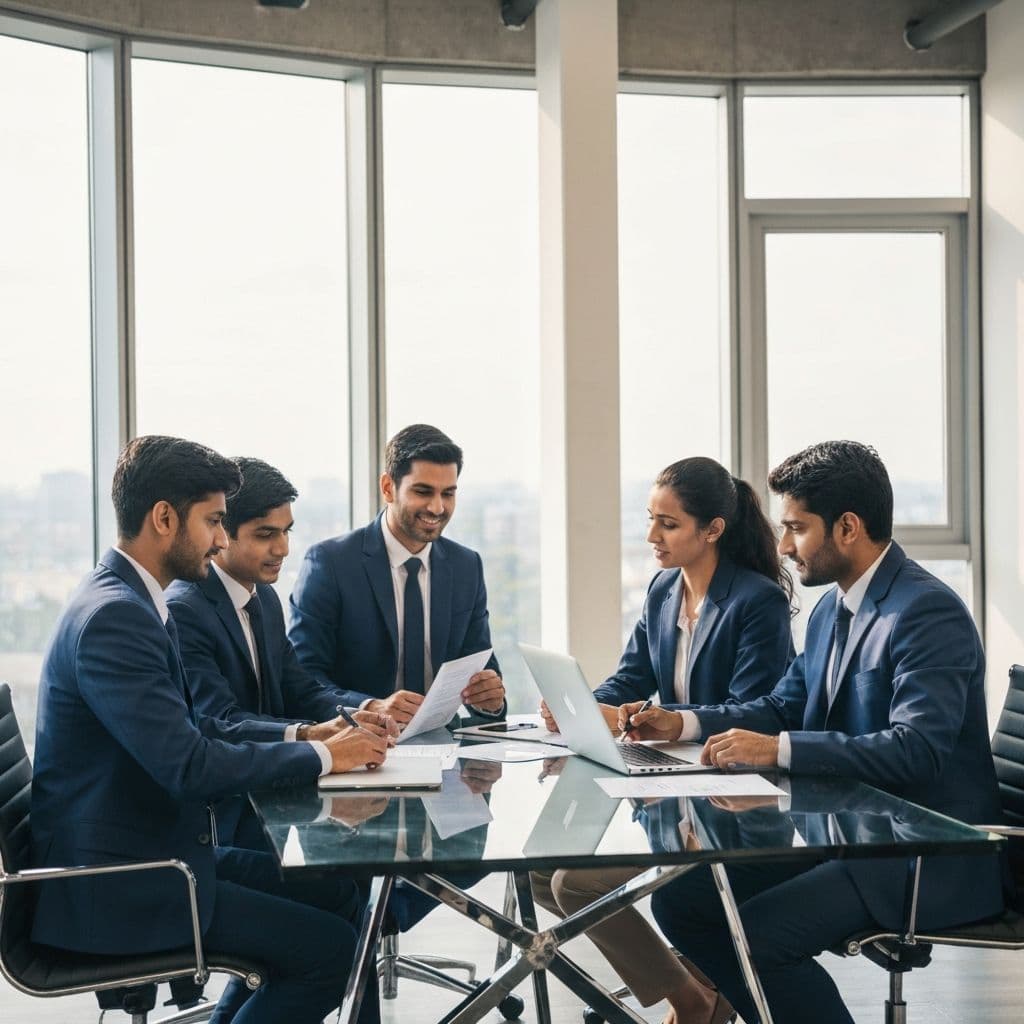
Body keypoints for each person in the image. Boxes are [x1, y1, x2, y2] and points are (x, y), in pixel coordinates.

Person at [619, 440, 1006, 1024]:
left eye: (796, 528)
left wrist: (777, 749)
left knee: (759, 936)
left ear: (847, 527)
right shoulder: (832, 611)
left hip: (923, 856)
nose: (781, 546)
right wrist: (685, 723)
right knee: (684, 900)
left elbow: (917, 750)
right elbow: (781, 705)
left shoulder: (925, 612)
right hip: (851, 841)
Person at [30, 436, 392, 1024]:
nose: (223, 540)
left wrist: (315, 741)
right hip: (125, 885)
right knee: (331, 954)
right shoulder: (117, 617)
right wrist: (325, 758)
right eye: (215, 522)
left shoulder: (130, 599)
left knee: (337, 894)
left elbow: (195, 730)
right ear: (164, 518)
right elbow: (189, 765)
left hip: (160, 855)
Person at [533, 456, 794, 1024]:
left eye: (668, 524)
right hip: (671, 792)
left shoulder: (756, 602)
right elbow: (630, 677)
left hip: (735, 803)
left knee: (574, 884)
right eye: (650, 519)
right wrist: (588, 707)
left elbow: (761, 712)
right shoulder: (662, 591)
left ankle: (691, 1002)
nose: (652, 535)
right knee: (538, 872)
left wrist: (678, 721)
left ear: (713, 529)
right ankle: (697, 988)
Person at [166, 457, 394, 848]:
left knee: (350, 879)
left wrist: (366, 710)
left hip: (275, 806)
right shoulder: (186, 609)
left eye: (286, 531)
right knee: (340, 890)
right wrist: (311, 736)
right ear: (223, 533)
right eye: (265, 534)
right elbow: (217, 720)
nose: (283, 548)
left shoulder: (264, 598)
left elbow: (300, 688)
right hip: (223, 823)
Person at [289, 423, 505, 727]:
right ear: (388, 487)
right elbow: (302, 680)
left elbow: (481, 668)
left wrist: (491, 700)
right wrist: (370, 706)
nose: (437, 507)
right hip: (357, 743)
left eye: (448, 493)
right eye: (423, 491)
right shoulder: (330, 563)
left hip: (444, 749)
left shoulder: (466, 565)